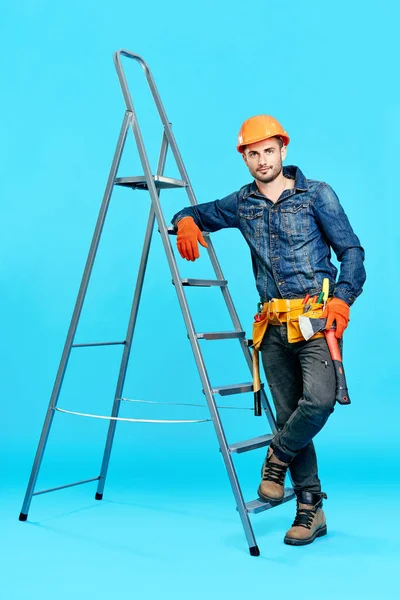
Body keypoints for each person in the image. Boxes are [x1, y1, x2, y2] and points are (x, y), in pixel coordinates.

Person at [170, 115, 366, 546]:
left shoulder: (317, 194)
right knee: (290, 411)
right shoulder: (242, 203)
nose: (262, 160)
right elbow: (195, 212)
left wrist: (342, 299)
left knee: (318, 401)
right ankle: (309, 509)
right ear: (245, 158)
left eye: (269, 151)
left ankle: (276, 457)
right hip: (272, 327)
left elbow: (351, 250)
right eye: (253, 153)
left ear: (283, 149)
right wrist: (186, 221)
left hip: (315, 321)